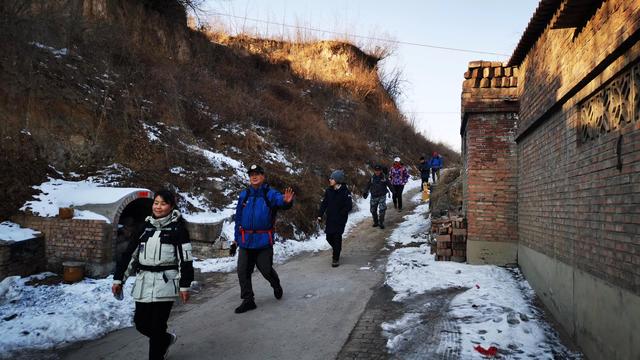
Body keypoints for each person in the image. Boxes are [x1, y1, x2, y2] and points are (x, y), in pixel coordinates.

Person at [112, 190, 193, 360]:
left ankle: (157, 352)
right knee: (141, 323)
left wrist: (184, 285)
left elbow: (185, 260)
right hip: (144, 281)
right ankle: (166, 339)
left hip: (166, 282)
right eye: (156, 202)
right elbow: (129, 255)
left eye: (163, 203)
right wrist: (119, 279)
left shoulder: (178, 229)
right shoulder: (144, 227)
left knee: (157, 327)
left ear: (171, 206)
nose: (158, 206)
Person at [232, 164, 295, 314]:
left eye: (257, 174)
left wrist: (286, 201)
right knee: (243, 271)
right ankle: (248, 300)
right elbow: (238, 218)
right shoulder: (244, 195)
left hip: (263, 241)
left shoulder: (269, 193)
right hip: (246, 240)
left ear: (263, 176)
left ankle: (276, 284)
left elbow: (280, 200)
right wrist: (236, 239)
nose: (254, 176)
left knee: (266, 270)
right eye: (251, 174)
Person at [317, 170, 353, 267]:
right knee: (329, 237)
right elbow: (324, 203)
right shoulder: (329, 191)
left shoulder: (345, 191)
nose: (330, 180)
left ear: (337, 180)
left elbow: (349, 206)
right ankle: (337, 249)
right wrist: (320, 214)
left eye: (332, 178)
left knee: (337, 237)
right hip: (331, 218)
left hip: (340, 219)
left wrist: (341, 213)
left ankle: (335, 258)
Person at [363, 164, 392, 229]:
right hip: (373, 196)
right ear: (374, 171)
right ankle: (376, 222)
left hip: (382, 196)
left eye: (378, 170)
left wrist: (393, 191)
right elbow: (368, 185)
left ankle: (381, 222)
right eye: (376, 170)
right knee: (373, 210)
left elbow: (389, 185)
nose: (377, 172)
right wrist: (365, 192)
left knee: (382, 209)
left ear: (381, 171)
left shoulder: (384, 177)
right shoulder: (372, 178)